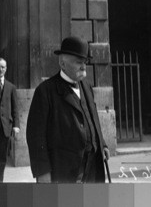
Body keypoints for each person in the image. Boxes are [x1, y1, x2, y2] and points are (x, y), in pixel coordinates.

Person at [26, 36, 110, 183]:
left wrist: (102, 144)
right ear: (62, 63)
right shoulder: (45, 91)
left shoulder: (86, 86)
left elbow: (93, 118)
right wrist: (43, 171)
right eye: (78, 62)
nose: (83, 66)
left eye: (85, 62)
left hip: (92, 166)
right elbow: (35, 136)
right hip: (65, 169)